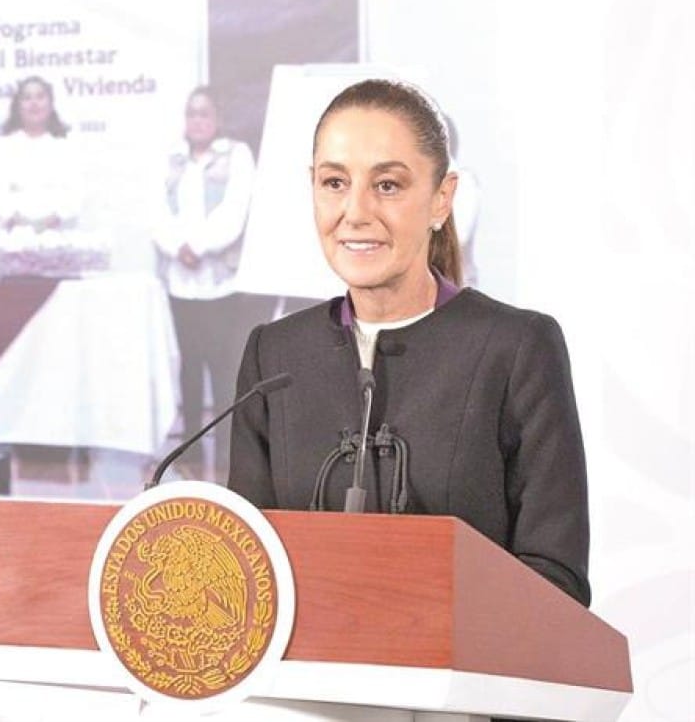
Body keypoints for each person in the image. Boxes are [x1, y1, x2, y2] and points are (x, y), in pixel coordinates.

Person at [227, 78, 590, 607]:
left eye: (388, 185)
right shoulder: (274, 355)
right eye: (334, 182)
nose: (355, 211)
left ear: (442, 199)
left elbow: (556, 578)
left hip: (467, 659)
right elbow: (243, 570)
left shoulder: (517, 349)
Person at [153, 86, 257, 476]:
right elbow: (157, 212)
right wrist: (176, 247)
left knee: (223, 365)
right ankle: (191, 447)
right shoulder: (172, 158)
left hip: (219, 283)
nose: (197, 121)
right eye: (191, 113)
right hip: (180, 281)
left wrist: (198, 246)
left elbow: (235, 211)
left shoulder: (236, 155)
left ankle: (229, 447)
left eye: (204, 114)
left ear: (218, 119)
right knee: (189, 364)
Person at [0, 76, 78, 235]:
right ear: (18, 106)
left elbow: (74, 193)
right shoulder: (2, 146)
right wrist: (19, 222)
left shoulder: (66, 145)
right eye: (27, 98)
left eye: (40, 97)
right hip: (13, 234)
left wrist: (50, 221)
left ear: (50, 104)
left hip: (57, 234)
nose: (34, 103)